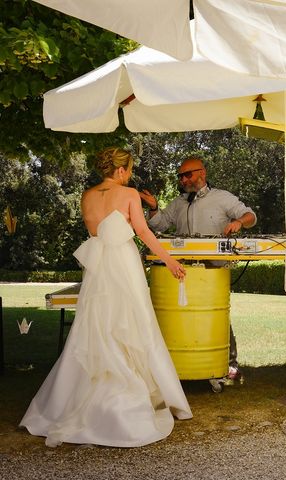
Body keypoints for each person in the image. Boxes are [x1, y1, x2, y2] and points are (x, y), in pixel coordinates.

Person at [20, 147, 192, 448]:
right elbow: (144, 233)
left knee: (95, 325)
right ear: (122, 170)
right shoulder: (129, 194)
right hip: (123, 265)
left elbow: (95, 233)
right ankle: (132, 399)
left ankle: (75, 399)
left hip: (97, 267)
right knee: (134, 322)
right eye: (130, 170)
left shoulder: (86, 196)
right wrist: (170, 261)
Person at [139, 156, 256, 381]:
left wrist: (239, 222)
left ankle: (229, 364)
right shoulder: (179, 202)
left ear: (202, 173)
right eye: (180, 176)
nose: (183, 180)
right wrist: (154, 207)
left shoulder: (222, 197)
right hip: (184, 270)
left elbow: (250, 215)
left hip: (213, 270)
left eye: (187, 175)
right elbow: (160, 224)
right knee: (186, 315)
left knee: (216, 315)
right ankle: (185, 360)